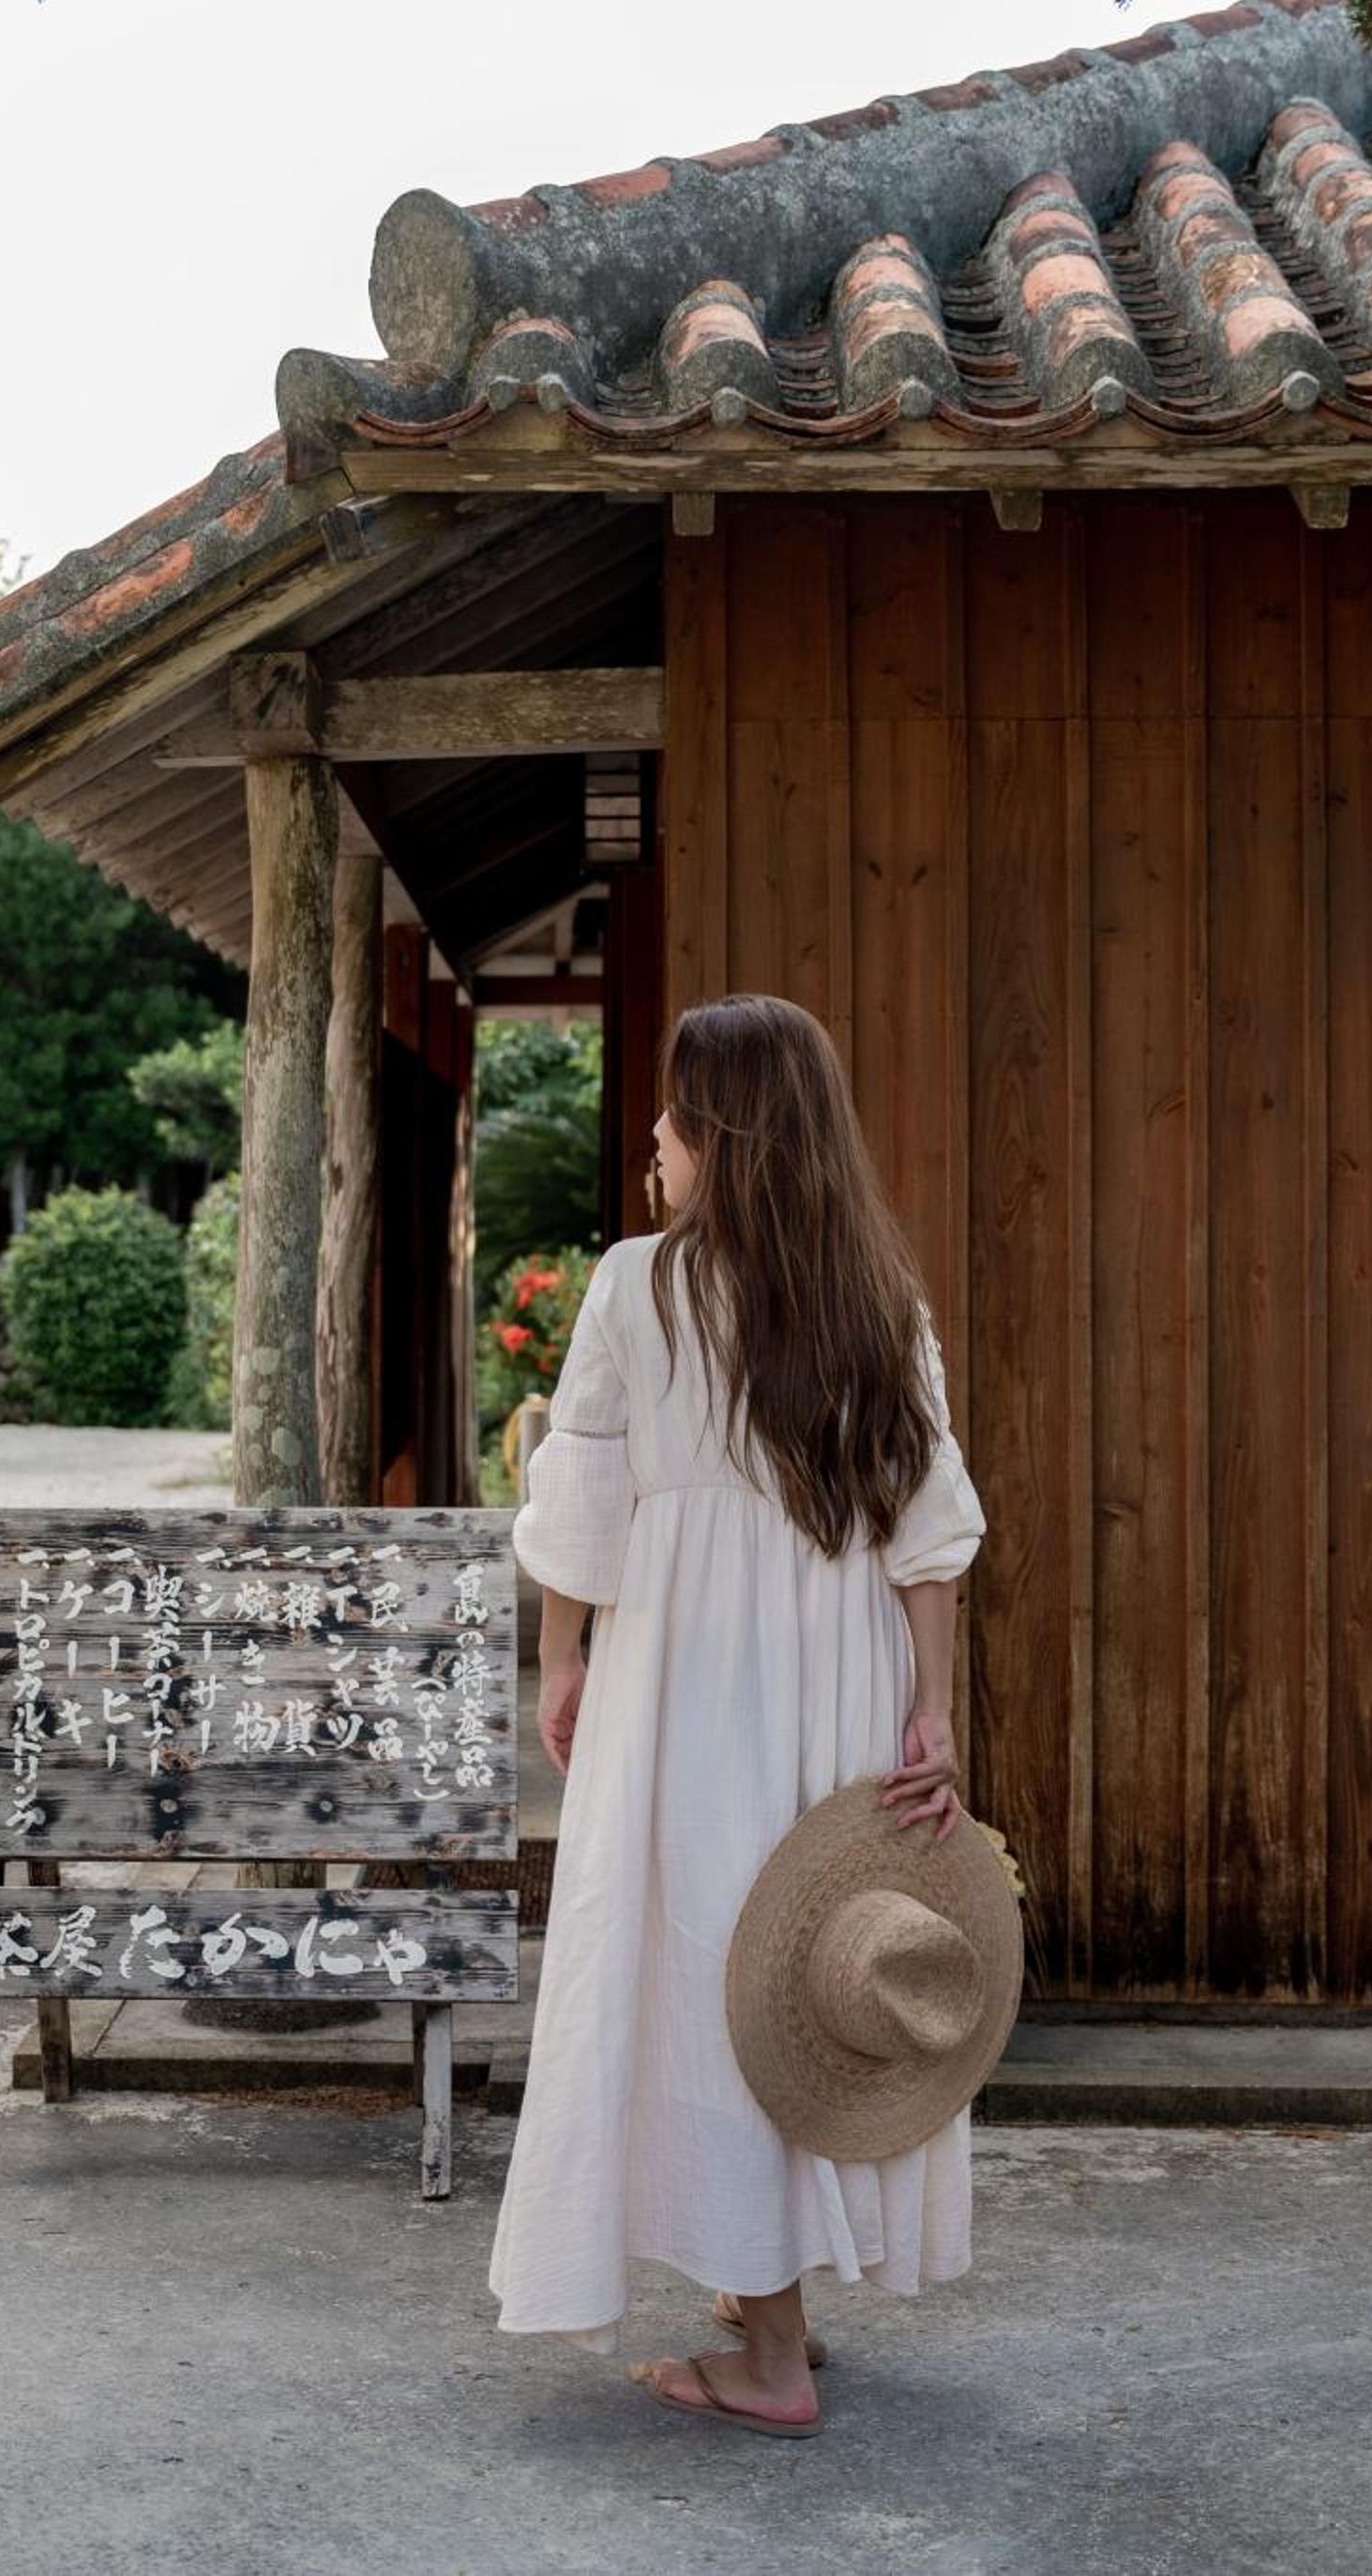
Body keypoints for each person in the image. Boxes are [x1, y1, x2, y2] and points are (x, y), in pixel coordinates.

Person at [487, 991, 988, 2434]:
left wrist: (564, 1661)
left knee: (712, 1969)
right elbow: (927, 1527)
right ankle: (766, 2283)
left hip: (690, 1681)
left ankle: (769, 2361)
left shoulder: (638, 1286)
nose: (653, 1134)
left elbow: (582, 1498)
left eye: (674, 1110)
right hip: (843, 1671)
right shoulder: (875, 1297)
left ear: (724, 1131)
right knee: (809, 1967)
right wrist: (934, 1710)